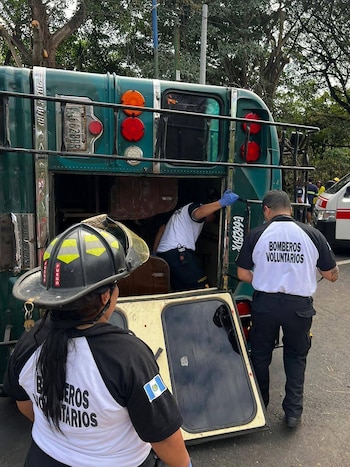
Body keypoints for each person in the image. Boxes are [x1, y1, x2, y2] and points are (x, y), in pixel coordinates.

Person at [4, 215, 191, 467]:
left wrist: (71, 435)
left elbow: (24, 404)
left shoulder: (31, 341)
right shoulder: (129, 357)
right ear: (105, 297)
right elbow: (165, 438)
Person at [235, 190, 338, 429]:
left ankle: (260, 403)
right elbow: (330, 274)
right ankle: (292, 414)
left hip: (265, 305)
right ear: (290, 210)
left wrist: (264, 279)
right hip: (298, 308)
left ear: (267, 210)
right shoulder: (312, 234)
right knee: (295, 356)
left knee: (260, 355)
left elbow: (242, 273)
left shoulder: (257, 234)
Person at [154, 189, 239, 291]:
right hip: (177, 254)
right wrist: (221, 203)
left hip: (166, 255)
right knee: (202, 287)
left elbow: (161, 229)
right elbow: (198, 213)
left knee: (181, 290)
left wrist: (155, 252)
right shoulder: (193, 208)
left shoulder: (180, 213)